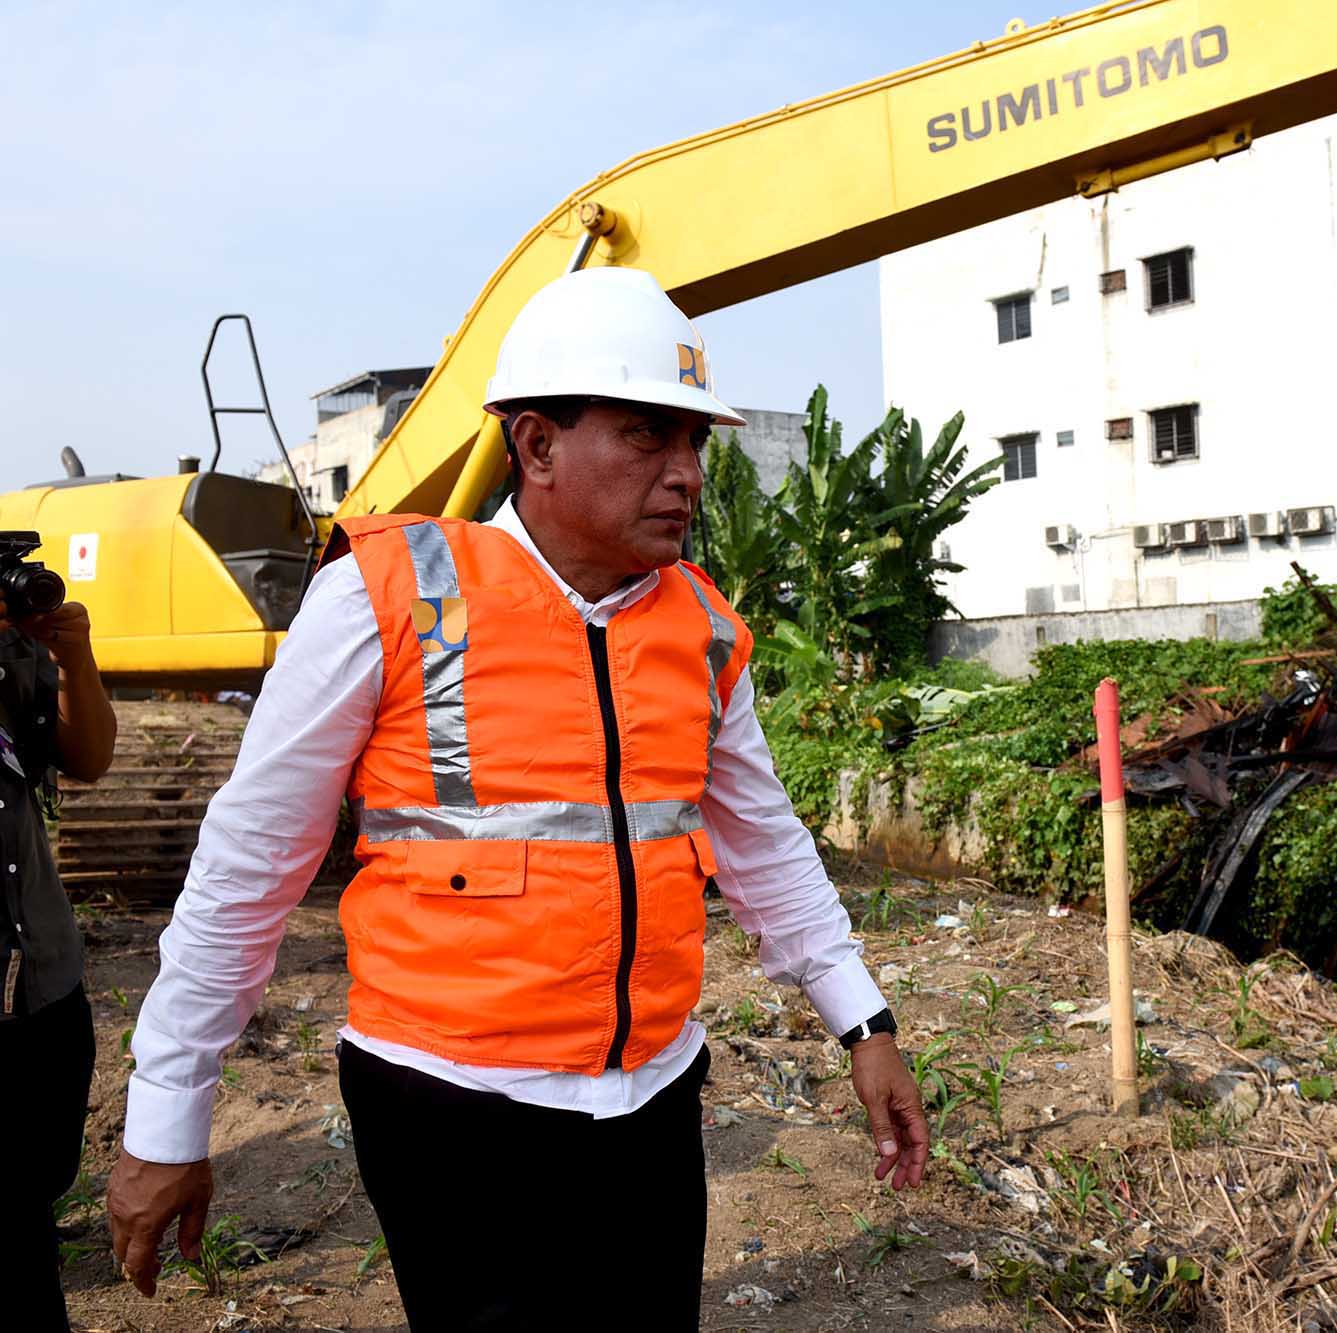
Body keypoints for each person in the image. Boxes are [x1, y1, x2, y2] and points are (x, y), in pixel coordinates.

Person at [107, 266, 929, 1328]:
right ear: (534, 445)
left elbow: (766, 847)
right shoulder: (384, 596)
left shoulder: (705, 629)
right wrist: (168, 1112)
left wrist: (863, 1023)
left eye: (696, 443)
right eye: (647, 435)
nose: (685, 474)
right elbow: (248, 865)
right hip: (450, 1111)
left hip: (650, 1098)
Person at [0, 595, 117, 1331]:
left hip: (43, 984)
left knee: (39, 1189)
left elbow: (91, 757)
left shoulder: (16, 657)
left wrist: (72, 657)